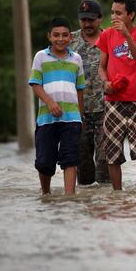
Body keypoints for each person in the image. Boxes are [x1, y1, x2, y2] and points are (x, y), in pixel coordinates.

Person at [97, 0, 136, 190]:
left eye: (119, 13)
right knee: (112, 151)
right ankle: (117, 193)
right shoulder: (106, 35)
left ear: (131, 15)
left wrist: (127, 35)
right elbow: (101, 67)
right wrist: (105, 82)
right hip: (113, 100)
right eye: (112, 12)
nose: (114, 17)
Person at [29, 17, 85, 195]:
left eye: (64, 35)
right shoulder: (40, 57)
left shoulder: (76, 59)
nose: (60, 39)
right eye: (56, 35)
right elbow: (35, 84)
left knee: (70, 160)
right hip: (46, 119)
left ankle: (69, 199)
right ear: (49, 37)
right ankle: (46, 195)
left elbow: (80, 89)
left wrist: (80, 116)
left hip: (72, 119)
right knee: (44, 162)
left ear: (71, 38)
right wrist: (50, 103)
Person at [70, 0, 109, 184]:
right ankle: (86, 205)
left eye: (91, 19)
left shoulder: (111, 39)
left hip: (106, 110)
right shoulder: (69, 41)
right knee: (83, 171)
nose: (86, 24)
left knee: (105, 164)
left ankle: (107, 207)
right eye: (83, 19)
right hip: (78, 112)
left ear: (100, 19)